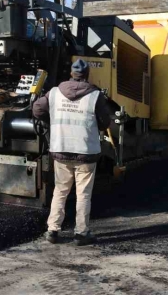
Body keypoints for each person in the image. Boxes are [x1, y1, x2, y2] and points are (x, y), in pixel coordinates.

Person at [32, 59, 112, 246]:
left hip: (61, 149)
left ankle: (52, 230)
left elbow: (36, 109)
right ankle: (81, 233)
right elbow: (105, 122)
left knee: (60, 190)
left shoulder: (54, 93)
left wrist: (50, 118)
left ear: (71, 74)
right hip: (86, 152)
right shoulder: (95, 96)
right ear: (87, 75)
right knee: (83, 194)